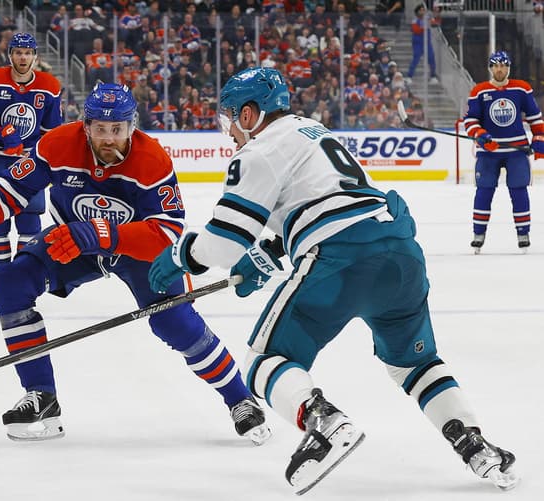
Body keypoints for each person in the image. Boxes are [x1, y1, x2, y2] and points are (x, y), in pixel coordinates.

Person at [148, 68, 518, 494]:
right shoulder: (313, 131)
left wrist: (180, 255)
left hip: (340, 259)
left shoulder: (259, 151)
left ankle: (321, 421)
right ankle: (475, 445)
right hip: (399, 252)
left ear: (249, 115)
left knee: (264, 362)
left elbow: (225, 244)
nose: (228, 131)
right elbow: (324, 200)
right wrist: (271, 250)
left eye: (229, 118)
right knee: (414, 363)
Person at [0, 83, 269, 444]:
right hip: (74, 243)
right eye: (100, 128)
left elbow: (166, 232)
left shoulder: (152, 159)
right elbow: (8, 189)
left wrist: (102, 234)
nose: (108, 138)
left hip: (136, 251)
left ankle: (240, 399)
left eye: (117, 129)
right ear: (85, 125)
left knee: (174, 321)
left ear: (131, 126)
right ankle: (41, 395)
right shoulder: (57, 144)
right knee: (8, 284)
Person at [0, 33, 62, 269]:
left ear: (35, 56)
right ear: (10, 55)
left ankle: (22, 277)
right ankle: (0, 277)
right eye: (18, 52)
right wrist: (0, 133)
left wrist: (42, 156)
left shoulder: (49, 86)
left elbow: (52, 132)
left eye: (27, 53)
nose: (23, 57)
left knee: (30, 226)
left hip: (30, 164)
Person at [462, 51, 544, 253]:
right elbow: (470, 120)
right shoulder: (479, 91)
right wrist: (480, 134)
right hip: (489, 151)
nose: (500, 69)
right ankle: (478, 234)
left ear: (508, 67)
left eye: (503, 66)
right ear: (490, 68)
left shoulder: (521, 88)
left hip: (516, 150)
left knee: (519, 190)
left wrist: (539, 138)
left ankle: (523, 234)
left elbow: (535, 117)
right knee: (484, 191)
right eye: (496, 66)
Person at [407, 4, 439, 84]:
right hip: (418, 43)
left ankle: (433, 76)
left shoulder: (428, 18)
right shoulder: (415, 20)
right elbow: (416, 30)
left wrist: (435, 15)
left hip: (427, 43)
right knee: (416, 59)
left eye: (423, 10)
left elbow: (435, 24)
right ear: (417, 12)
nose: (422, 12)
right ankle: (409, 76)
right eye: (420, 10)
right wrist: (426, 25)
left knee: (431, 58)